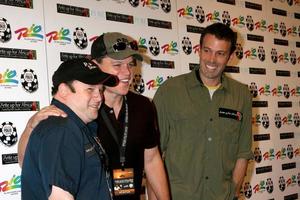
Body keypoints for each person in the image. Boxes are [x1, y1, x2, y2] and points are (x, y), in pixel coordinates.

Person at [18, 32, 170, 200]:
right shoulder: (77, 112)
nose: (127, 72)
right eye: (117, 65)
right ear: (94, 64)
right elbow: (28, 163)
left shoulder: (142, 106)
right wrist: (30, 127)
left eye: (130, 64)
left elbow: (152, 160)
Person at [153, 23, 253, 200]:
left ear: (230, 57)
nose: (212, 59)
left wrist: (233, 194)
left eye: (220, 53)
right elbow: (153, 156)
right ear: (199, 50)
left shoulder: (242, 95)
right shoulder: (170, 91)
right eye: (207, 50)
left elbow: (243, 153)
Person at [21, 58, 118, 200]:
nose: (99, 97)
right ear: (64, 90)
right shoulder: (62, 130)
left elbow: (25, 164)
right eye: (90, 89)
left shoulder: (70, 126)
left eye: (101, 89)